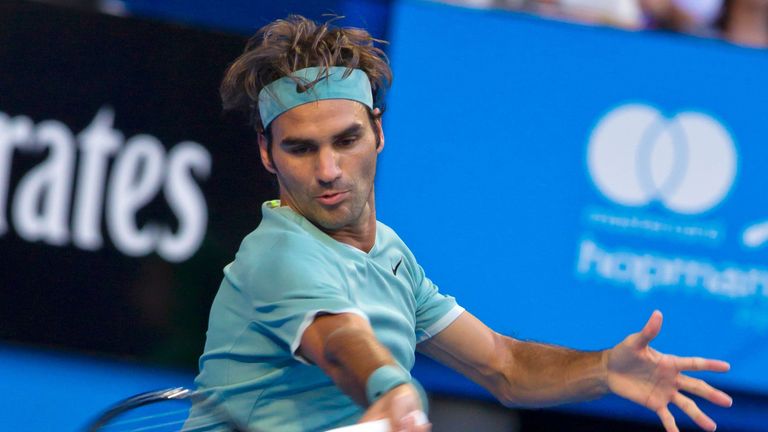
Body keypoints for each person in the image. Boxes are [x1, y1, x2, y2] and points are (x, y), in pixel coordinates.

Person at [194, 15, 732, 432]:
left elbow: (505, 365)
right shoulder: (277, 256)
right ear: (267, 153)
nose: (329, 170)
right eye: (301, 149)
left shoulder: (390, 255)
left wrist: (604, 369)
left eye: (346, 139)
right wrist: (389, 389)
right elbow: (338, 340)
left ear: (378, 132)